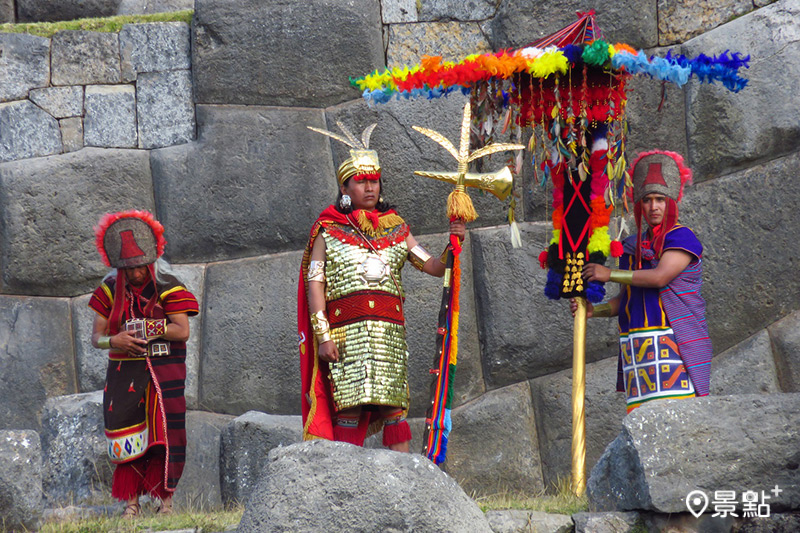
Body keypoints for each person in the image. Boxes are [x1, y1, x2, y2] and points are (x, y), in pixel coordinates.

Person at [299, 123, 465, 451]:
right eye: (361, 181)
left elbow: (433, 266)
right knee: (349, 407)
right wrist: (324, 336)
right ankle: (346, 479)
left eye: (374, 180)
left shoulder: (398, 229)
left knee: (394, 410)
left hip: (389, 333)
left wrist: (454, 243)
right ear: (344, 188)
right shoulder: (327, 229)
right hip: (346, 334)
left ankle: (403, 481)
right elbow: (314, 283)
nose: (370, 187)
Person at [571, 150, 711, 412]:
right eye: (647, 200)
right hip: (638, 348)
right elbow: (626, 300)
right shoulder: (632, 246)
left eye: (660, 199)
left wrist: (608, 273)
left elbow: (659, 277)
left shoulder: (682, 238)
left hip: (676, 345)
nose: (654, 206)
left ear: (672, 201)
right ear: (639, 205)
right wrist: (594, 311)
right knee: (644, 427)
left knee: (679, 423)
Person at [89, 210, 199, 518]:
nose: (136, 273)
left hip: (164, 373)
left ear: (150, 260)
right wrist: (116, 340)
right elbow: (96, 337)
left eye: (139, 266)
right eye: (129, 267)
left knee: (165, 434)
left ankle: (165, 503)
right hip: (125, 374)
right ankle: (132, 504)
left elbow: (182, 330)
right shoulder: (110, 290)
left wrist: (146, 329)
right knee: (127, 433)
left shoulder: (169, 286)